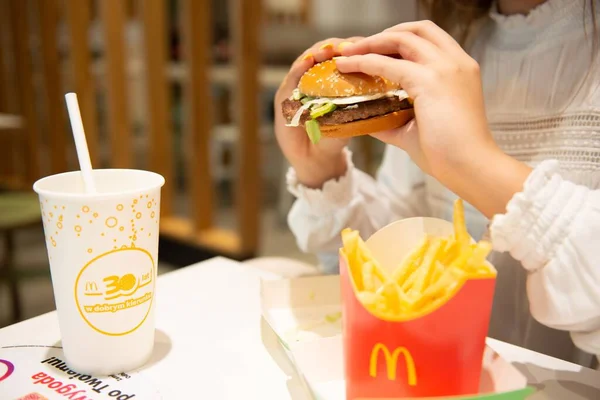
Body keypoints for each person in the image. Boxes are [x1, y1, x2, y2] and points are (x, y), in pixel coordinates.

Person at [274, 0, 600, 366]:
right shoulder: (443, 52)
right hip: (430, 368)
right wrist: (321, 170)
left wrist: (476, 166)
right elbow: (394, 258)